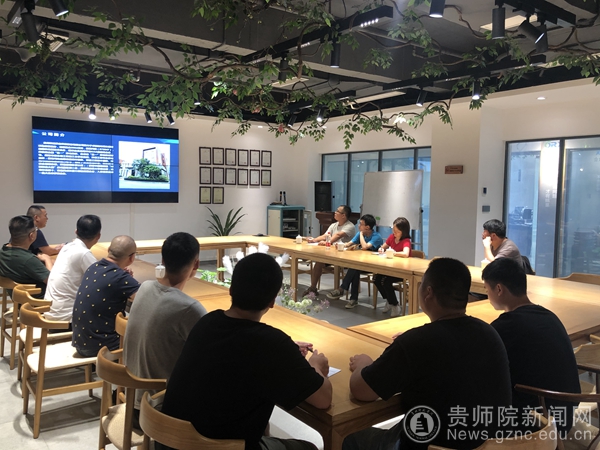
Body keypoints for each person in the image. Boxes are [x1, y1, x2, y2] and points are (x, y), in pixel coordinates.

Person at [161, 252, 332, 450]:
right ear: (272, 301)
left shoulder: (206, 322)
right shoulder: (272, 345)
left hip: (167, 441)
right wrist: (315, 365)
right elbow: (323, 399)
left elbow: (238, 351)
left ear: (231, 290)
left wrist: (287, 351)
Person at [344, 258, 512, 450]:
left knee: (351, 438)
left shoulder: (415, 342)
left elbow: (361, 390)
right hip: (491, 444)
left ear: (428, 292)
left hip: (434, 445)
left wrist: (363, 364)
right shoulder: (489, 333)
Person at [482, 258, 580, 437]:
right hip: (565, 415)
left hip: (538, 425)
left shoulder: (506, 326)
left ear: (499, 289)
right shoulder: (549, 316)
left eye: (487, 290)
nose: (487, 296)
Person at [124, 232, 207, 427]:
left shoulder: (144, 288)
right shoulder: (189, 308)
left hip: (131, 401)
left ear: (162, 260)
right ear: (196, 264)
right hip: (158, 413)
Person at [71, 235, 140, 357]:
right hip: (101, 348)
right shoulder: (120, 277)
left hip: (80, 342)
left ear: (108, 250)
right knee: (145, 337)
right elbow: (146, 300)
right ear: (132, 258)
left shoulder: (93, 267)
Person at [45, 215, 102, 324]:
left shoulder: (66, 247)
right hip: (66, 318)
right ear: (98, 236)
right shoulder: (84, 254)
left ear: (76, 231)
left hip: (50, 312)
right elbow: (102, 280)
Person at [326, 214, 383, 309]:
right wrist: (341, 245)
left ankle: (342, 289)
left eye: (361, 224)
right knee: (355, 268)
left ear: (367, 227)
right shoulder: (360, 234)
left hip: (373, 265)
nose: (359, 226)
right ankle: (353, 299)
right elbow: (349, 243)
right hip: (361, 263)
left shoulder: (376, 236)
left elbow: (365, 247)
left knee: (355, 267)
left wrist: (361, 234)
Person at [303, 205, 356, 296]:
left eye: (337, 211)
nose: (335, 212)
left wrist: (328, 242)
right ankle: (313, 288)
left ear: (343, 215)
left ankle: (339, 290)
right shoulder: (333, 225)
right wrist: (314, 240)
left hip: (343, 255)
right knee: (319, 261)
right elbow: (325, 235)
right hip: (331, 253)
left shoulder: (350, 226)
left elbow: (338, 235)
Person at [0, 215, 53, 297]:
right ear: (31, 235)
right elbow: (53, 282)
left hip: (18, 298)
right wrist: (47, 260)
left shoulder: (3, 251)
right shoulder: (29, 260)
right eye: (36, 229)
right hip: (38, 301)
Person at [373, 217, 412, 317]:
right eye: (393, 230)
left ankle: (395, 305)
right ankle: (389, 300)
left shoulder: (406, 240)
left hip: (402, 270)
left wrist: (393, 253)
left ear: (403, 231)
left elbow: (405, 253)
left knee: (385, 281)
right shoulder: (391, 237)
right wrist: (381, 249)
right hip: (390, 268)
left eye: (397, 232)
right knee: (376, 278)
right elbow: (383, 247)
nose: (394, 233)